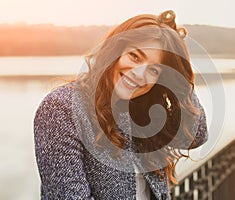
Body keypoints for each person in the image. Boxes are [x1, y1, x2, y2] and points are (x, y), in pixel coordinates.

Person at [34, 10, 208, 200]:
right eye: (135, 56)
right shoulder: (61, 108)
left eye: (153, 69)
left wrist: (181, 75)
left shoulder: (143, 110)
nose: (139, 74)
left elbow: (196, 136)